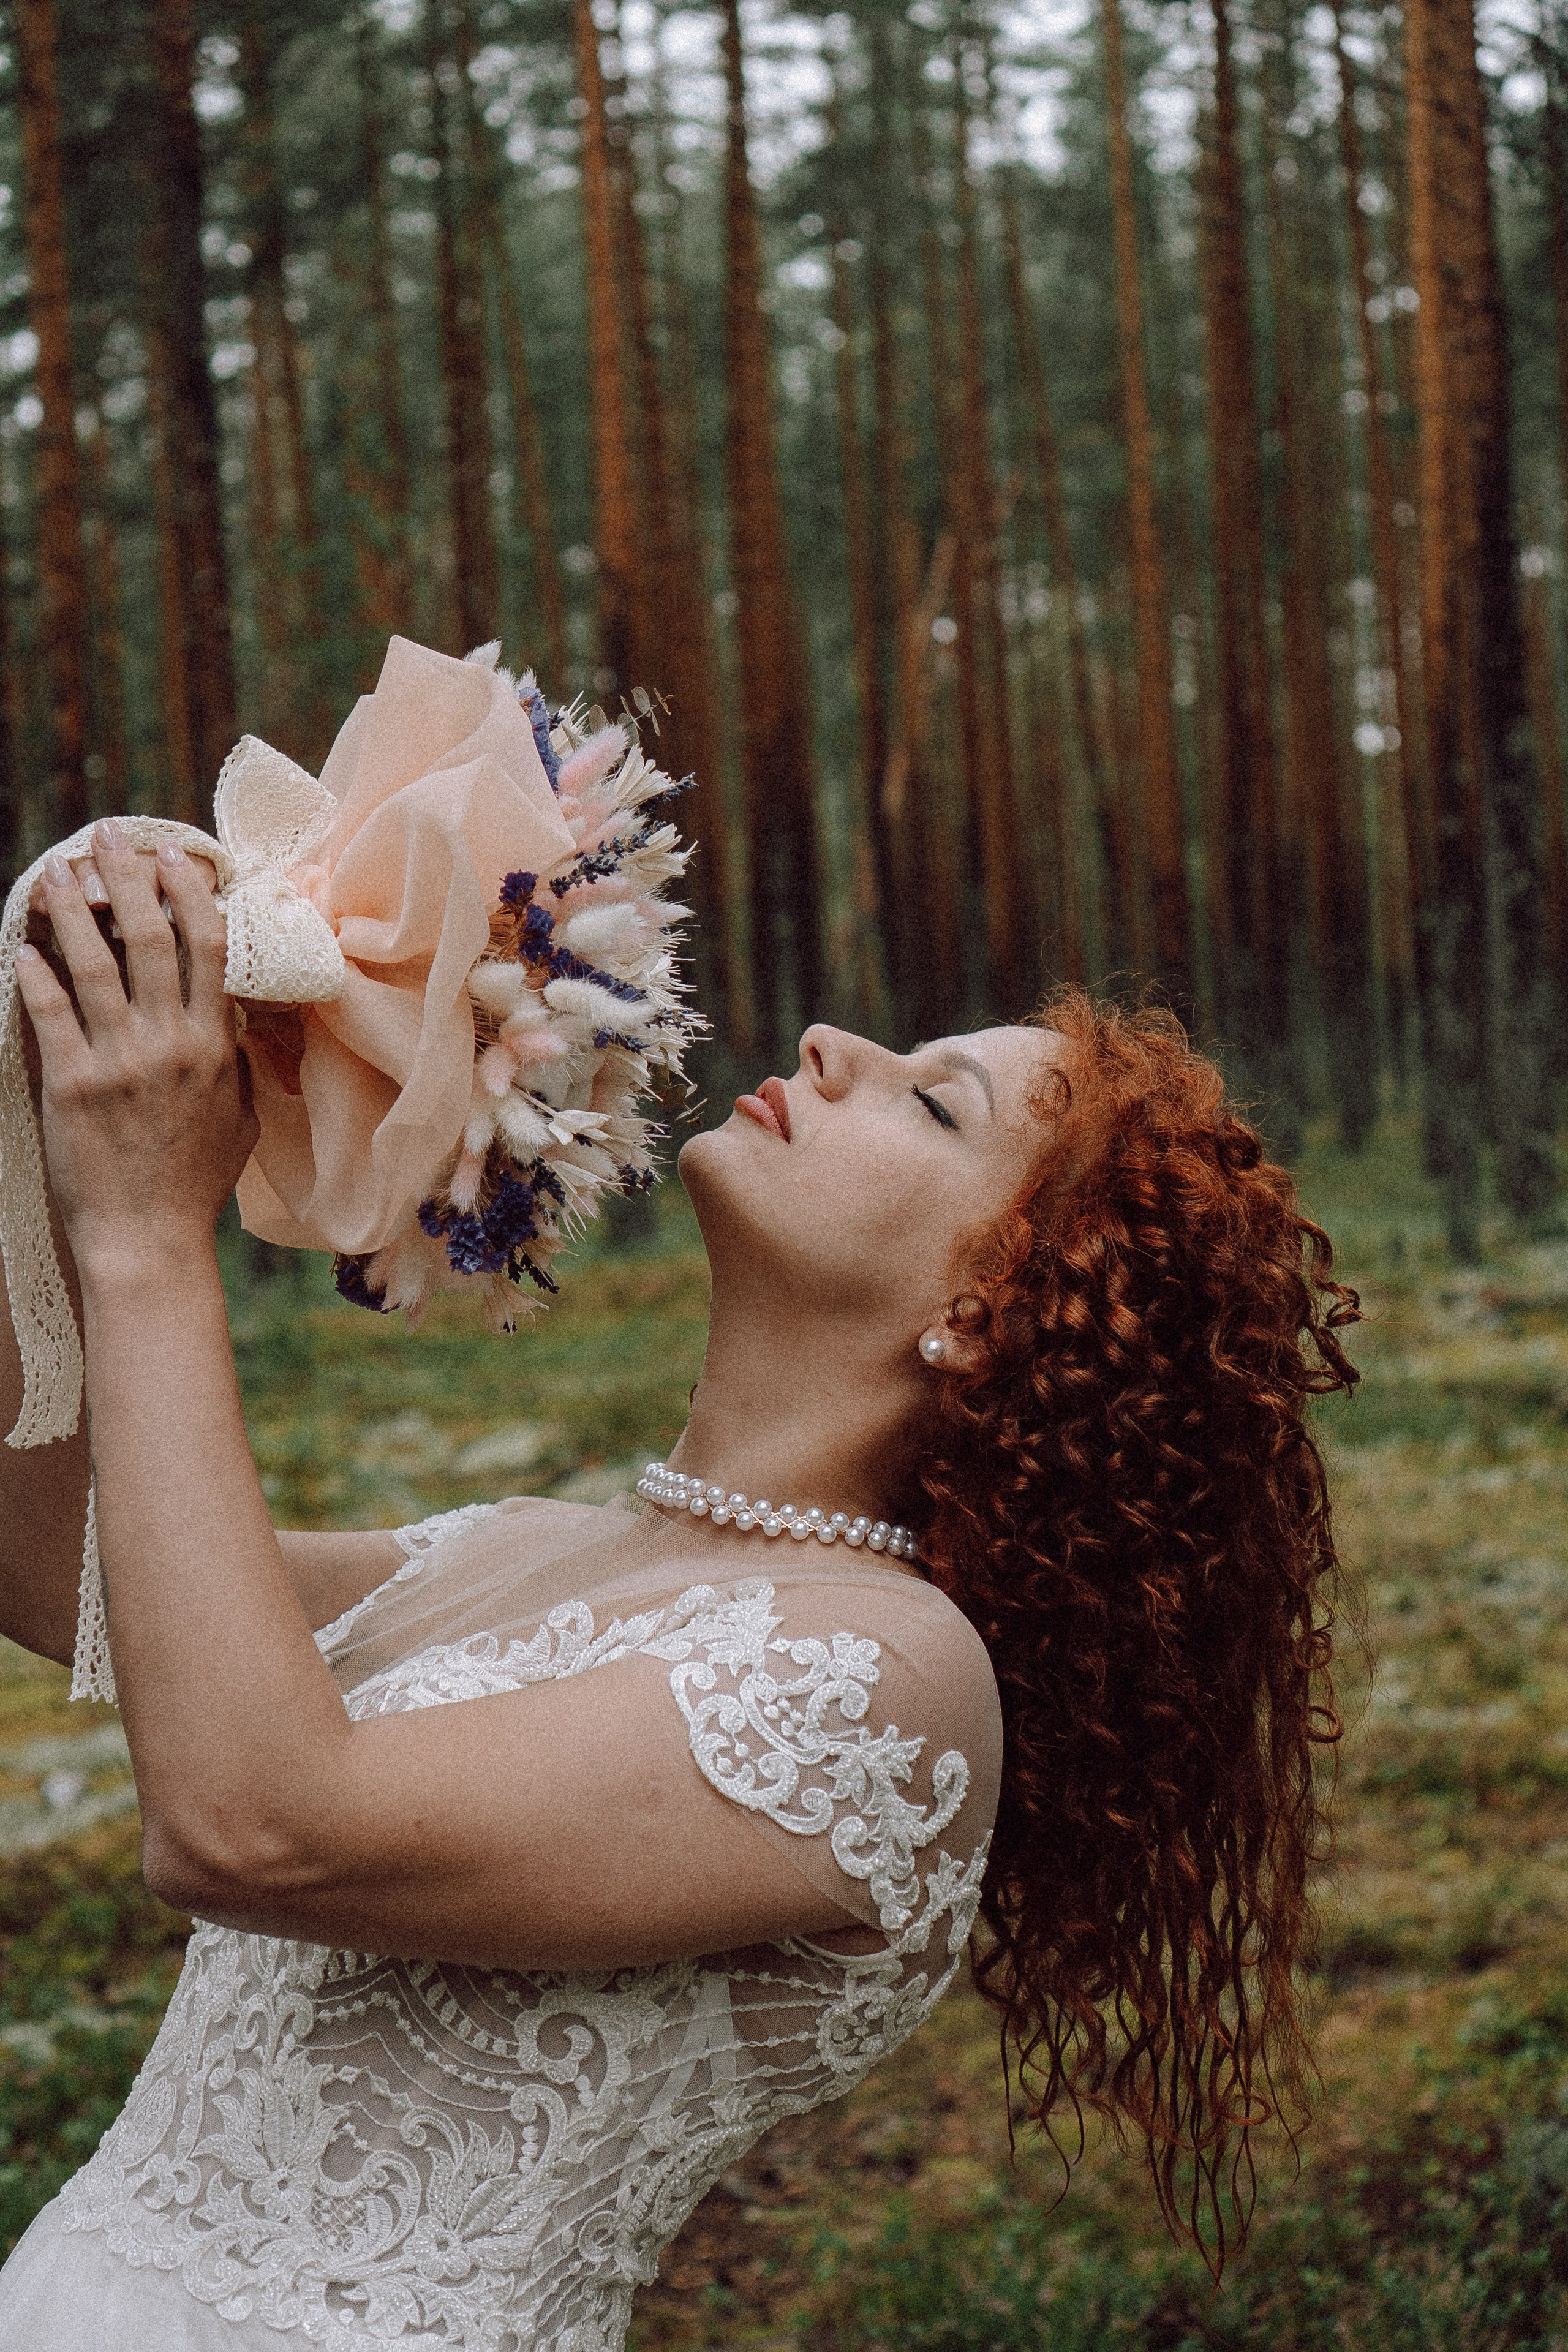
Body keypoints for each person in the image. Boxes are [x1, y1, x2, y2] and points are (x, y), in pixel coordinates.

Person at [0, 823, 1358, 2349]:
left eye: (928, 1101)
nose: (832, 1044)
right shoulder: (525, 1545)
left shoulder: (886, 1684)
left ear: (983, 1314)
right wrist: (46, 1102)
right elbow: (53, 1556)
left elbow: (251, 1826)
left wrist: (141, 1233)